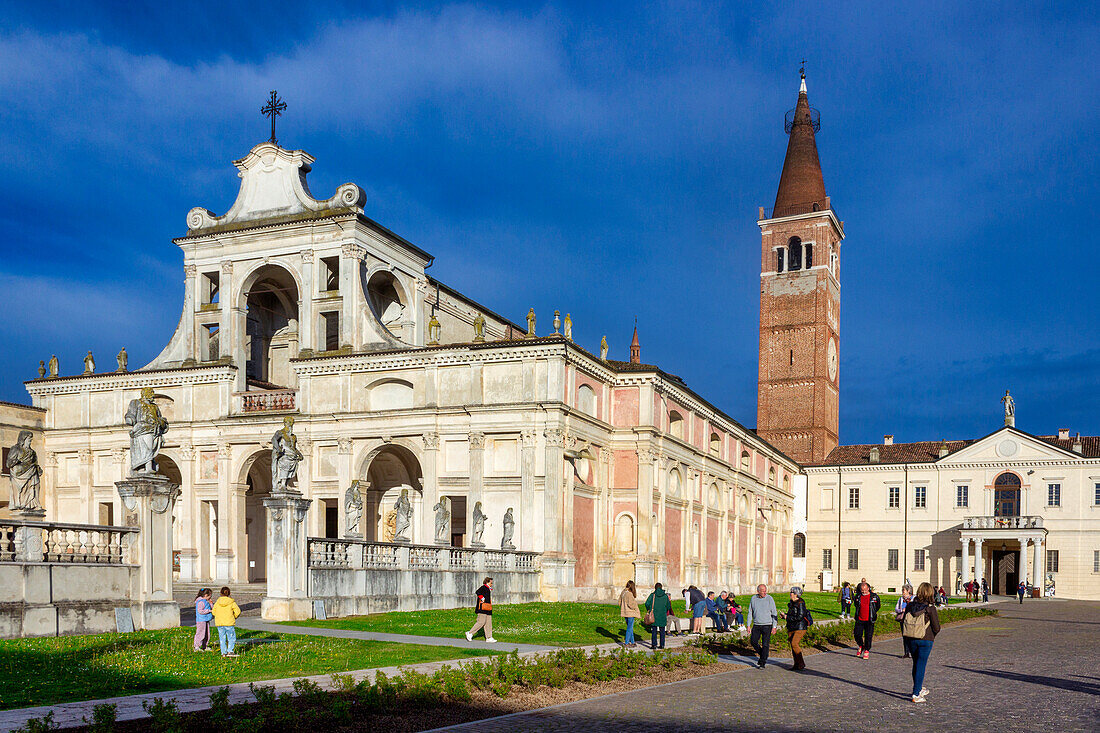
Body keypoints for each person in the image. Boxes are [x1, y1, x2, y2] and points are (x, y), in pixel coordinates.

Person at [902, 582, 941, 703]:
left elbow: (904, 622)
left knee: (916, 664)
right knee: (921, 665)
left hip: (911, 638)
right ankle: (916, 693)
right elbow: (937, 627)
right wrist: (931, 635)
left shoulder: (910, 606)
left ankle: (918, 688)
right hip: (925, 639)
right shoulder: (930, 608)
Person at [748, 584, 778, 669]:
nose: (765, 592)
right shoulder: (753, 598)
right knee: (753, 641)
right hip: (756, 625)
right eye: (763, 591)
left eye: (765, 590)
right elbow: (750, 612)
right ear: (758, 591)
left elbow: (774, 613)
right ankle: (763, 654)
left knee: (765, 644)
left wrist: (774, 626)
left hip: (767, 625)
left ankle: (762, 662)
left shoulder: (769, 599)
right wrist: (748, 625)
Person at [779, 586, 809, 671]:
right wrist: (785, 615)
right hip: (792, 627)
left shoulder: (801, 603)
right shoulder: (792, 603)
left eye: (791, 592)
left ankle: (801, 663)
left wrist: (787, 617)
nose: (790, 593)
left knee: (794, 643)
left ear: (796, 594)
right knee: (792, 646)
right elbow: (792, 615)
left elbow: (800, 617)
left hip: (800, 627)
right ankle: (796, 664)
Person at [852, 581, 880, 659]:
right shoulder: (858, 597)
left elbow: (877, 606)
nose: (864, 592)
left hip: (869, 620)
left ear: (868, 588)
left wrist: (873, 613)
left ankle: (867, 650)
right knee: (857, 634)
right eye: (862, 590)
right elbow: (856, 605)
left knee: (868, 636)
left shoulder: (874, 597)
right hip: (860, 619)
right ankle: (861, 645)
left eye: (865, 590)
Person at [211, 586, 242, 658]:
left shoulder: (218, 602)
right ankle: (230, 651)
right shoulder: (231, 602)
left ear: (220, 593)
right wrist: (234, 616)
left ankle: (223, 653)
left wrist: (219, 616)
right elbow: (238, 611)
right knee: (231, 638)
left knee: (222, 638)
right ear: (229, 593)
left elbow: (213, 612)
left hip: (220, 623)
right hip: (229, 622)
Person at [465, 577, 497, 642]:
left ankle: (489, 637)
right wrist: (482, 598)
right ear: (487, 582)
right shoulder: (483, 587)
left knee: (488, 623)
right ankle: (470, 633)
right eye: (491, 583)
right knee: (481, 622)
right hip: (482, 608)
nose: (492, 584)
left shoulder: (488, 588)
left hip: (488, 608)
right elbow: (478, 592)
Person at [644, 582, 673, 649]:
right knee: (662, 631)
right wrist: (664, 610)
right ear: (661, 587)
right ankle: (662, 645)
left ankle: (654, 645)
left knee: (654, 630)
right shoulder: (665, 596)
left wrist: (650, 609)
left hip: (654, 615)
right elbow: (669, 606)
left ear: (655, 588)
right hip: (662, 615)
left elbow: (647, 603)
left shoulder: (652, 595)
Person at [619, 580, 641, 648]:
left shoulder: (623, 592)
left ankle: (633, 642)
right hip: (630, 613)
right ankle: (626, 643)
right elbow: (631, 604)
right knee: (629, 628)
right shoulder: (629, 594)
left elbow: (619, 602)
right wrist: (636, 607)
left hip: (625, 612)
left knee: (630, 628)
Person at [895, 584, 913, 659]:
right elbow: (896, 609)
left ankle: (912, 652)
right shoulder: (901, 599)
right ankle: (906, 652)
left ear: (908, 591)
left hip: (911, 620)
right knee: (904, 636)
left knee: (911, 636)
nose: (902, 592)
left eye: (904, 590)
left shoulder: (913, 599)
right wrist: (901, 610)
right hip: (902, 619)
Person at [193, 588, 213, 653]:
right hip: (201, 620)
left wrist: (211, 603)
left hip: (206, 619)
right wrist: (208, 611)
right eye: (210, 596)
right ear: (206, 595)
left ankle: (205, 645)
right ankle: (197, 646)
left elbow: (211, 607)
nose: (210, 597)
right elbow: (200, 611)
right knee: (200, 633)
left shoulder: (206, 601)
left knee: (207, 633)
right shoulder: (201, 602)